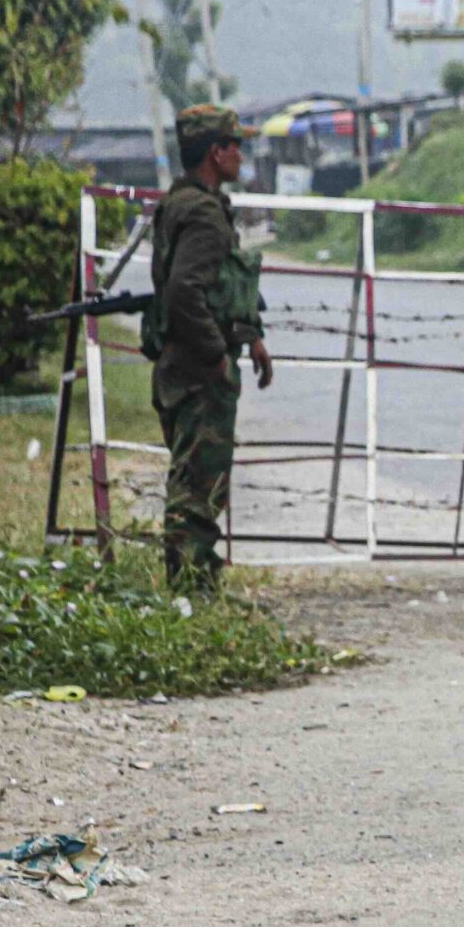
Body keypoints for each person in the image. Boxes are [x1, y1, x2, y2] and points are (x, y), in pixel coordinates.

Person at [142, 104, 271, 590]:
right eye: (235, 145)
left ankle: (194, 580)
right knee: (198, 483)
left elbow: (220, 286)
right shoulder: (201, 213)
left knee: (197, 477)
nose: (241, 154)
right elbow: (184, 293)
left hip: (186, 364)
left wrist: (250, 336)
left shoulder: (192, 202)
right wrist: (218, 354)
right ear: (215, 153)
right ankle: (192, 587)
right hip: (197, 371)